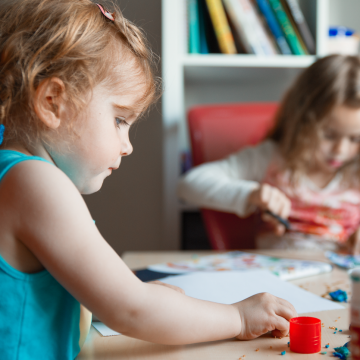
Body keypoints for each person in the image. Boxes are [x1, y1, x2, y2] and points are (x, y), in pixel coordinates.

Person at [0, 1, 297, 358]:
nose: (127, 147)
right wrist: (238, 317)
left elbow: (95, 298)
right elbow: (132, 310)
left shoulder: (17, 177)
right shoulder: (35, 182)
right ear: (52, 101)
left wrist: (155, 301)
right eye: (119, 120)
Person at [178, 55, 360, 254]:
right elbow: (189, 184)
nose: (340, 150)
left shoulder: (355, 173)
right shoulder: (271, 158)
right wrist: (252, 194)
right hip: (278, 274)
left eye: (355, 139)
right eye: (328, 135)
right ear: (301, 120)